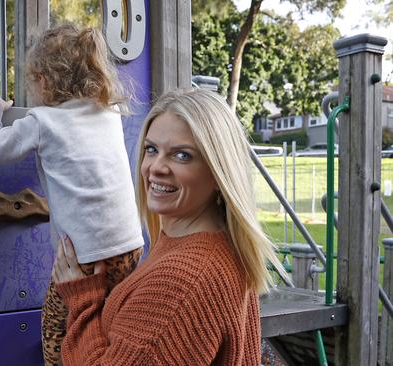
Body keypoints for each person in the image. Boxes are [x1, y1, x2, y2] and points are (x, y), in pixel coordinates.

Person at [52, 89, 287, 365]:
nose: (155, 168)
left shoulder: (183, 279)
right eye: (151, 149)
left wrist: (82, 301)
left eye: (182, 156)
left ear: (219, 171)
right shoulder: (204, 243)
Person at [0, 24, 145, 365]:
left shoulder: (42, 121)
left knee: (57, 326)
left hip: (83, 258)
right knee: (113, 319)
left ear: (43, 82)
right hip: (131, 247)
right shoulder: (107, 112)